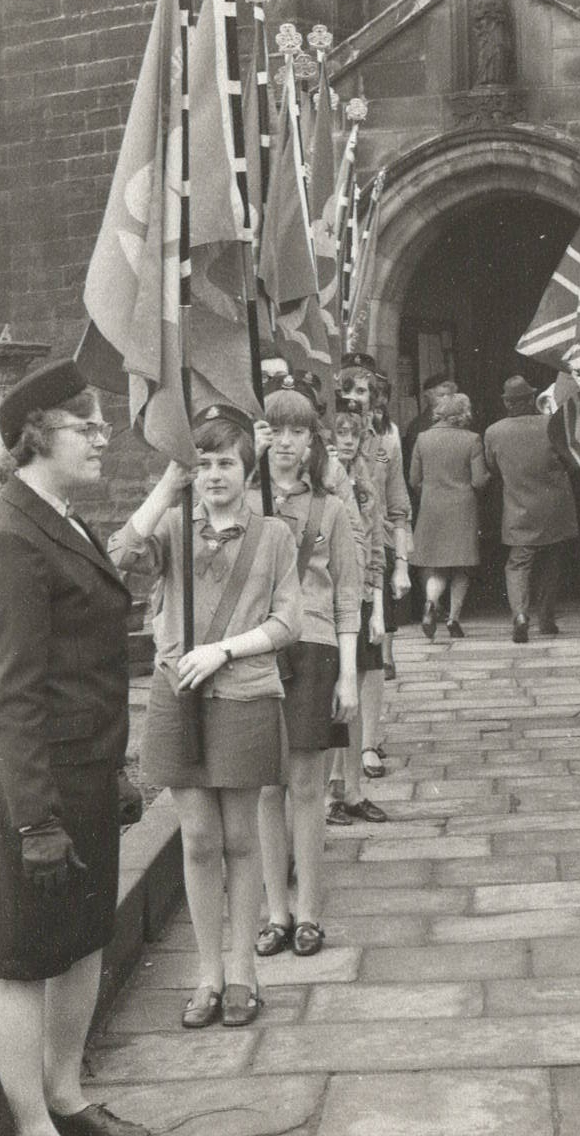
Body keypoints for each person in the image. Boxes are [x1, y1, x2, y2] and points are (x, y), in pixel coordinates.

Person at [0, 359, 150, 1136]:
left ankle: (66, 1097)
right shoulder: (7, 537)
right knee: (25, 961)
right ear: (37, 436)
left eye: (101, 425)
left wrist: (116, 768)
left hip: (81, 775)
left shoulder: (60, 521)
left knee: (80, 943)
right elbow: (12, 695)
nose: (103, 438)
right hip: (30, 789)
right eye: (87, 426)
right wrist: (35, 821)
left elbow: (87, 663)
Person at [111, 404, 302, 1031]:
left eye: (226, 462)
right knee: (197, 840)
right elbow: (118, 555)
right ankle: (207, 974)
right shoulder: (171, 526)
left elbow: (287, 622)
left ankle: (243, 971)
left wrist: (223, 648)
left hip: (244, 694)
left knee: (242, 839)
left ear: (248, 471)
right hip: (178, 696)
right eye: (205, 462)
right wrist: (170, 481)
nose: (215, 473)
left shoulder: (273, 535)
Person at [251, 379, 362, 959]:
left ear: (314, 442)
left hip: (314, 647)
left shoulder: (333, 509)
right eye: (277, 430)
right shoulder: (245, 503)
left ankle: (310, 911)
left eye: (299, 431)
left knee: (307, 787)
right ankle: (275, 910)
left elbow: (348, 594)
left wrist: (348, 674)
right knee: (267, 787)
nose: (287, 442)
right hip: (255, 652)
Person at [325, 355, 407, 793]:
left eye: (362, 391)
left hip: (373, 553)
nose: (354, 398)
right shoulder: (330, 438)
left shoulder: (385, 439)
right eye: (348, 389)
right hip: (335, 557)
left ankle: (368, 743)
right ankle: (342, 761)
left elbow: (394, 507)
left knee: (371, 658)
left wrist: (402, 565)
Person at [325, 401, 390, 825]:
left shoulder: (366, 479)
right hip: (327, 600)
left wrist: (378, 607)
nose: (347, 441)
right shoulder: (322, 482)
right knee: (328, 696)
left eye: (354, 434)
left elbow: (376, 545)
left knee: (355, 692)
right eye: (340, 434)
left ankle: (352, 791)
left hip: (361, 596)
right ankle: (328, 793)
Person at [484, 374, 579, 642]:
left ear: (507, 403)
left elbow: (492, 468)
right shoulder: (552, 424)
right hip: (555, 505)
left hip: (518, 507)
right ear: (530, 399)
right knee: (552, 561)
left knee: (518, 564)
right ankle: (547, 618)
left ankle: (520, 615)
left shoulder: (494, 432)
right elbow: (571, 460)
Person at [409, 391, 489, 637]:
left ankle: (431, 604)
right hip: (462, 508)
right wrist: (488, 476)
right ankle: (453, 618)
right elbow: (478, 481)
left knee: (437, 567)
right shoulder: (472, 439)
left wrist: (432, 490)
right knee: (462, 568)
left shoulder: (423, 439)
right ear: (464, 413)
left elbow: (414, 479)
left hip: (432, 508)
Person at [370, 370, 411, 680]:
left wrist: (401, 560)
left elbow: (397, 500)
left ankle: (387, 656)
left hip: (380, 532)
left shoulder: (389, 434)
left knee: (386, 600)